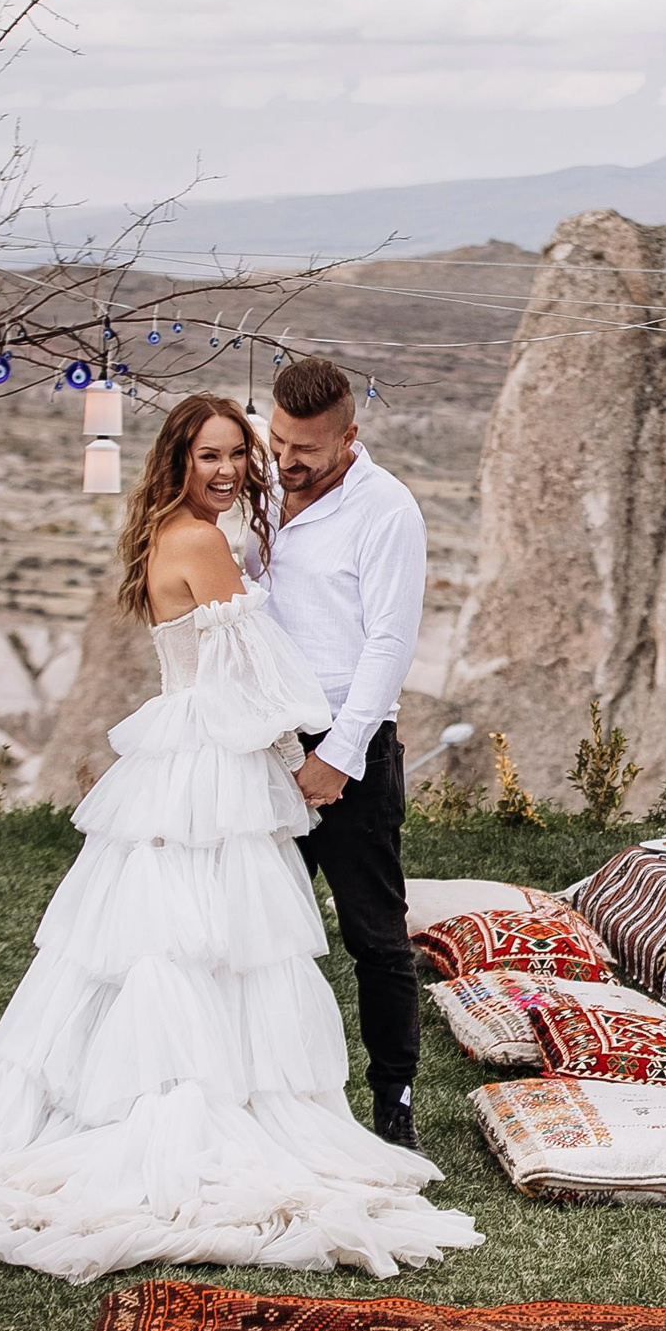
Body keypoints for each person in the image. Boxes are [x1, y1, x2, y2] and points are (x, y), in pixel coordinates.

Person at [0, 394, 480, 1282]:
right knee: (208, 945)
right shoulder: (199, 541)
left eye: (241, 454)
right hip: (214, 763)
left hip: (193, 756)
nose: (231, 470)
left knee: (187, 941)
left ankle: (197, 1089)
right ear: (175, 460)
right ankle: (187, 1101)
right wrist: (302, 753)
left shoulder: (184, 530)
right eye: (212, 456)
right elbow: (261, 674)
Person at [256, 358, 428, 1149]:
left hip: (346, 744)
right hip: (262, 744)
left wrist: (341, 755)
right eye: (279, 440)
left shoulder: (387, 510)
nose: (287, 460)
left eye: (307, 451)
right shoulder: (257, 489)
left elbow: (390, 643)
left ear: (349, 437)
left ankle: (394, 1103)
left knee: (375, 939)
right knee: (254, 929)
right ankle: (262, 1096)